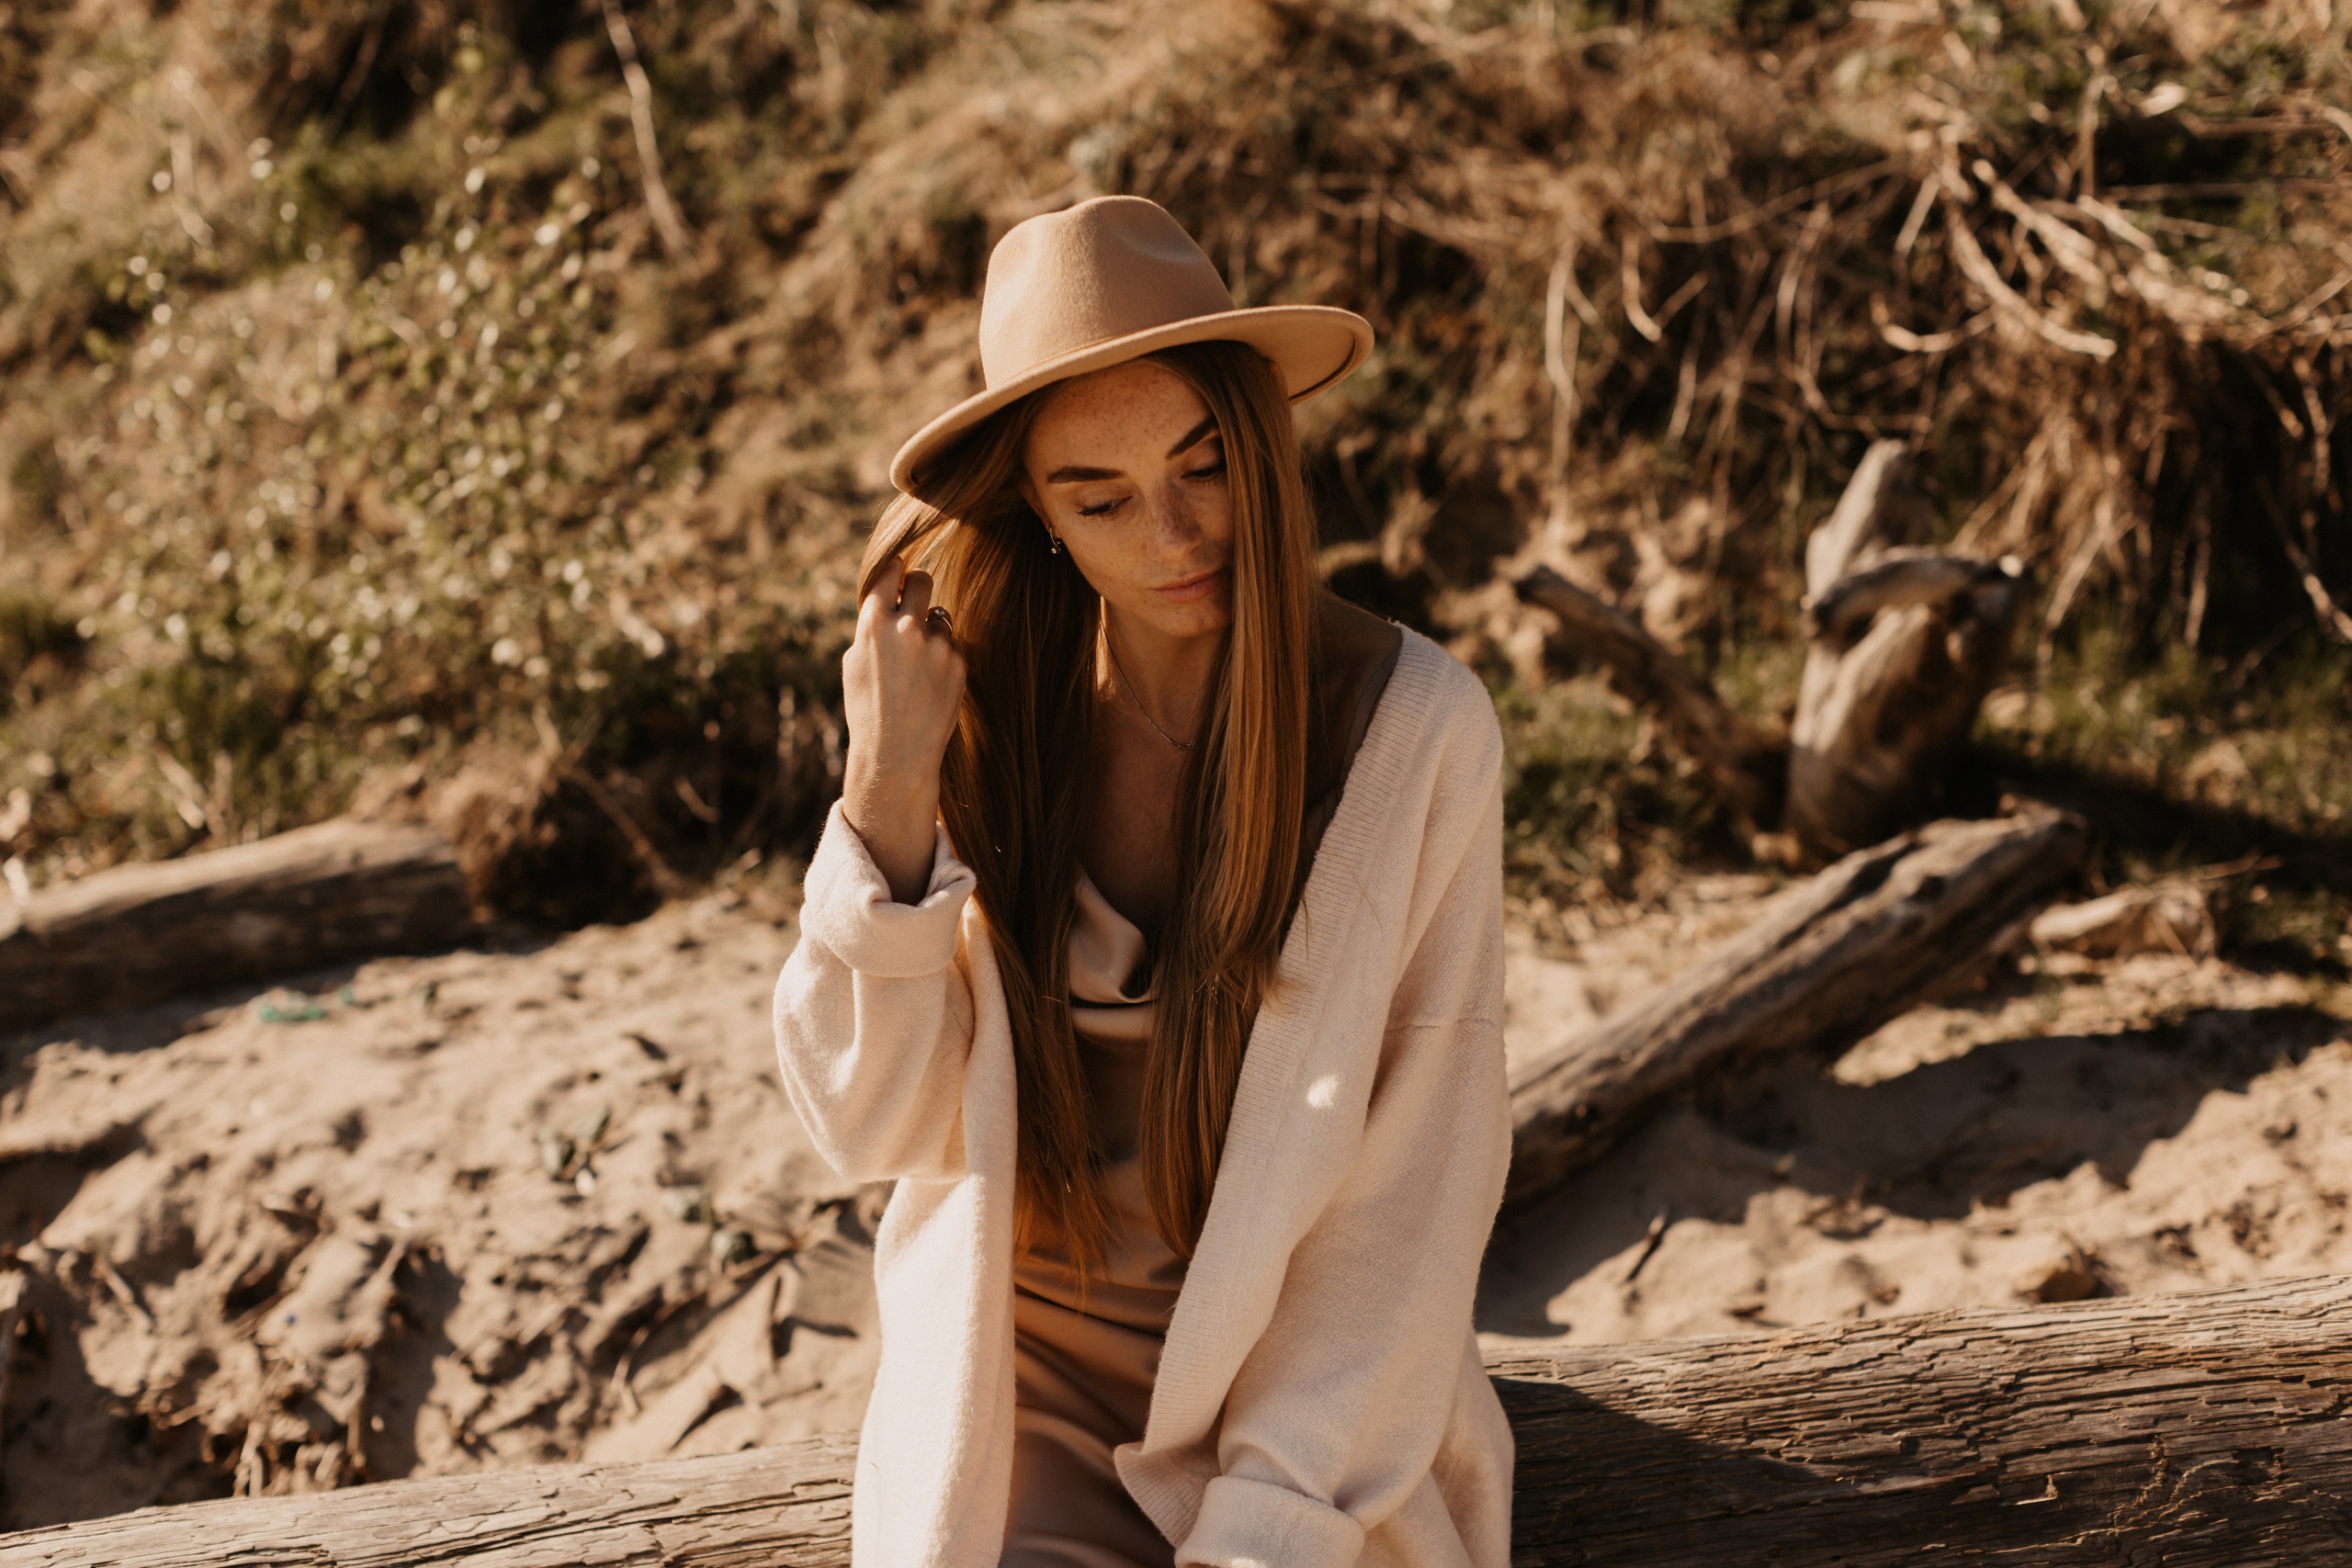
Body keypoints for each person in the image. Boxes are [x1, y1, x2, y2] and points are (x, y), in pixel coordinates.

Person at [773, 196, 1511, 1568]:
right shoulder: (985, 717)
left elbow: (1411, 1195)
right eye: (1098, 498)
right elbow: (864, 1127)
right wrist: (884, 793)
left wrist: (1267, 1524)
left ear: (1262, 437)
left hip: (1296, 1402)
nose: (1173, 536)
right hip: (1016, 1394)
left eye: (1202, 466)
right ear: (1040, 516)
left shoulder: (1418, 730)